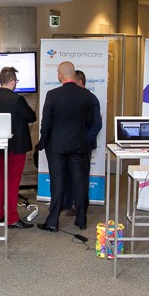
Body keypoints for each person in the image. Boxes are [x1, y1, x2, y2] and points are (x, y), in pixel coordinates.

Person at [36, 61, 96, 231]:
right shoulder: (86, 95)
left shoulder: (52, 95)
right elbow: (90, 120)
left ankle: (52, 222)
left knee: (57, 183)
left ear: (61, 75)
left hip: (56, 146)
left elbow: (46, 123)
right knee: (79, 182)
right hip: (78, 144)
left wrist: (42, 143)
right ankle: (81, 220)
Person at [0, 67, 36, 229]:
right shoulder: (17, 99)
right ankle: (11, 218)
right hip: (16, 146)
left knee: (0, 178)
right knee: (13, 182)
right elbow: (32, 117)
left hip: (0, 145)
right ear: (12, 82)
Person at [62, 69, 102, 216]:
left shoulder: (91, 98)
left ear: (79, 82)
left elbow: (97, 124)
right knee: (69, 176)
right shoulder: (72, 98)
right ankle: (68, 204)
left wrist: (85, 141)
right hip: (70, 144)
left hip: (84, 145)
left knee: (82, 178)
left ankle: (81, 209)